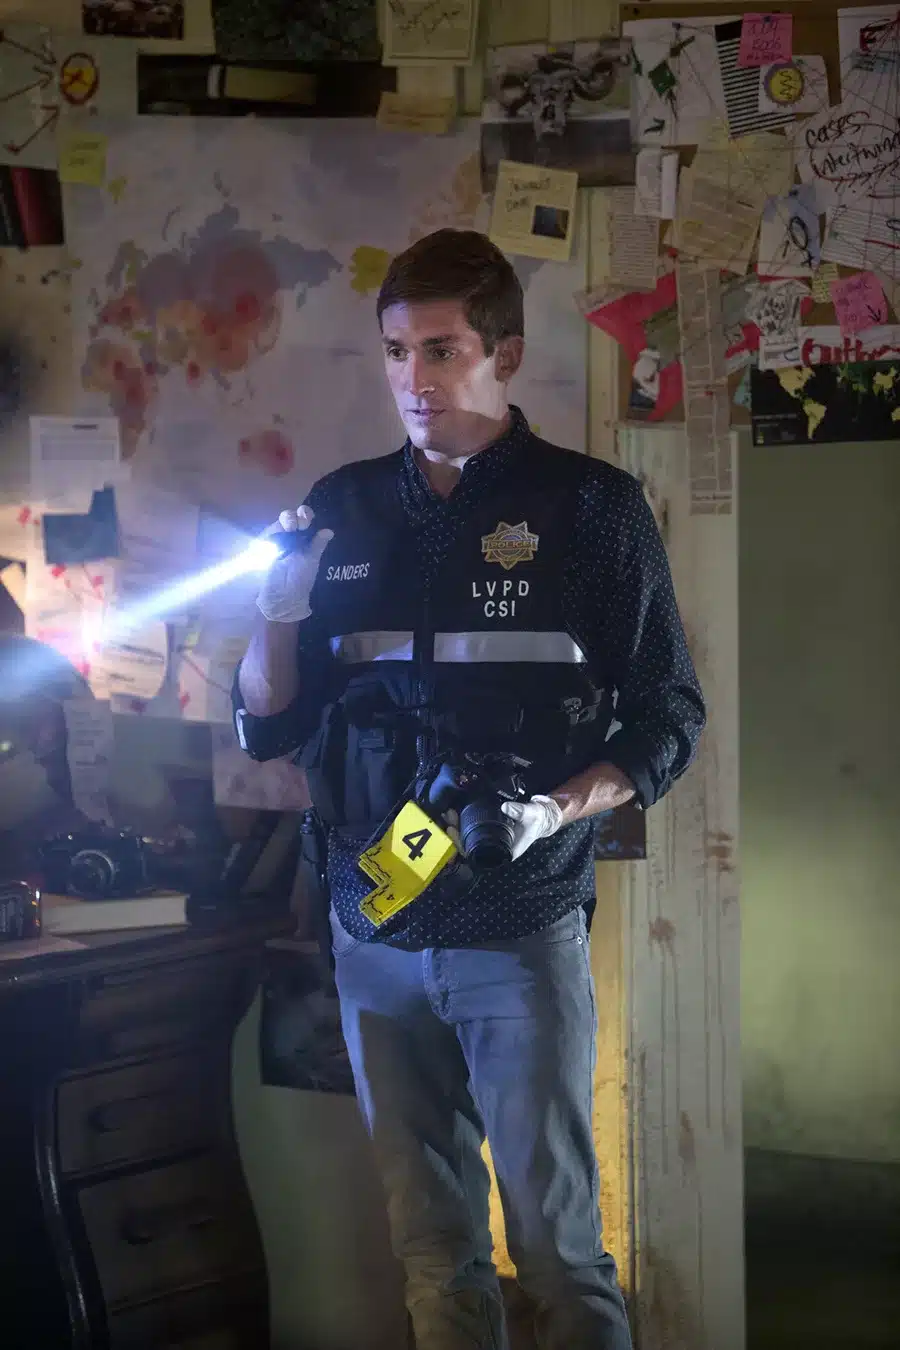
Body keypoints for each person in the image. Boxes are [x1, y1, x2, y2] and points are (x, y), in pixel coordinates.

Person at [233, 229, 705, 1350]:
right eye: (397, 351)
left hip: (518, 922)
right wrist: (275, 616)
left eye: (441, 350)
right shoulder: (343, 508)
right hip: (375, 917)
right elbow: (269, 726)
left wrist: (555, 810)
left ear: (505, 353)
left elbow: (670, 717)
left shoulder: (591, 508)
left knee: (558, 1252)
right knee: (433, 1249)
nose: (415, 379)